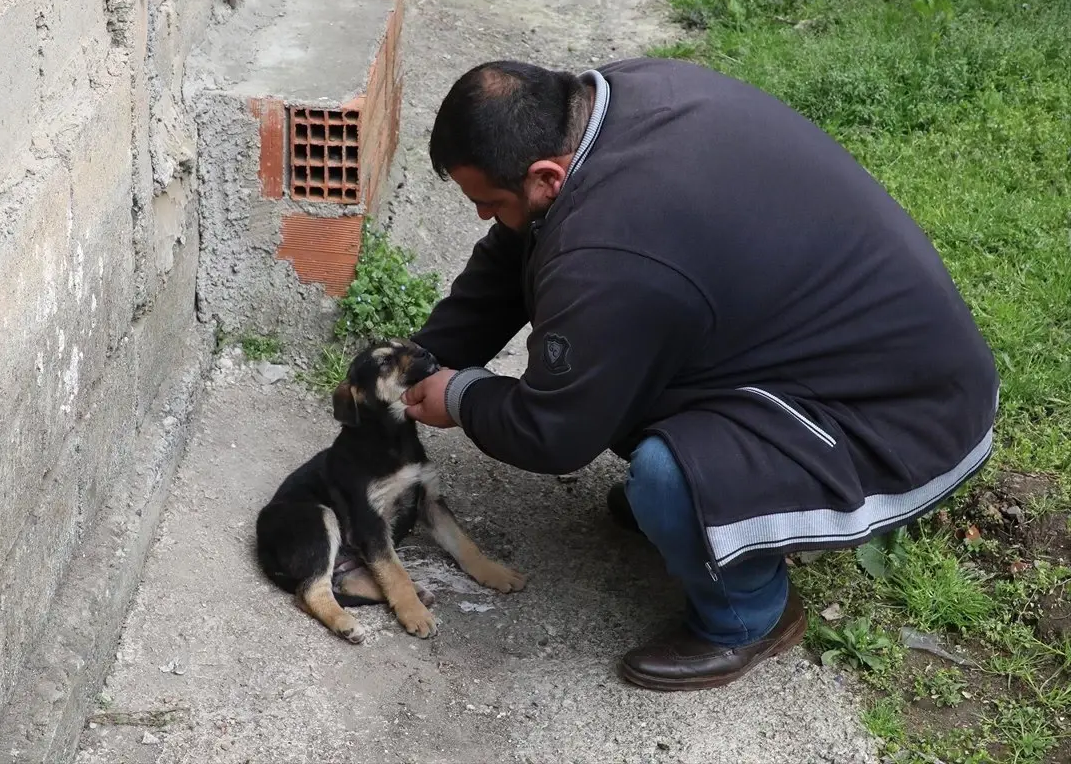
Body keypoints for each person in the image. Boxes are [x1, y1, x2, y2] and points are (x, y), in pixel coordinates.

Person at [400, 58, 999, 692]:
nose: (481, 217)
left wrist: (460, 394)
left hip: (905, 421)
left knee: (667, 476)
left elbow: (554, 432)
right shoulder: (608, 103)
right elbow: (519, 246)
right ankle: (716, 509)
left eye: (487, 202)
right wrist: (422, 355)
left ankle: (748, 618)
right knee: (612, 352)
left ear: (547, 175)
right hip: (853, 347)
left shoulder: (615, 247)